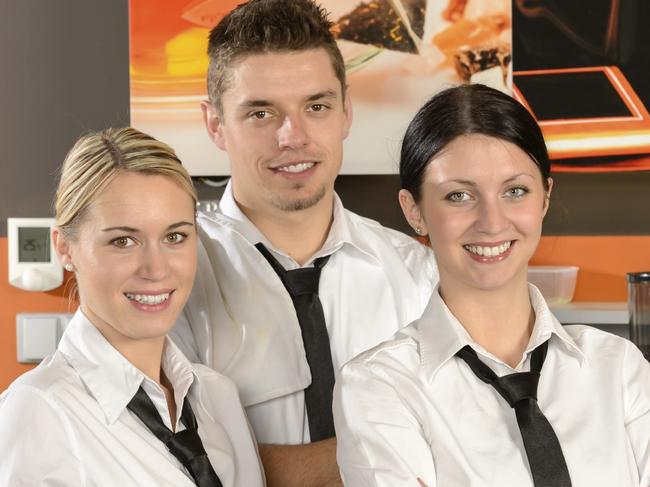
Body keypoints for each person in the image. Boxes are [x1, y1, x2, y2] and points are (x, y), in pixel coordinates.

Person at [170, 0, 438, 485]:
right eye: (261, 113)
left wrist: (254, 463)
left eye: (316, 106)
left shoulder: (420, 275)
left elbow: (469, 436)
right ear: (214, 124)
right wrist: (389, 449)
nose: (293, 137)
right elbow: (174, 461)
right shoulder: (172, 278)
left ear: (346, 112)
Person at [333, 83, 650, 487]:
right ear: (414, 210)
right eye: (459, 196)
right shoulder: (380, 386)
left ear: (545, 198)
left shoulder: (618, 367)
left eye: (515, 191)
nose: (492, 222)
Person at [0, 128, 265, 487]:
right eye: (123, 241)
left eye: (175, 237)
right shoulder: (37, 412)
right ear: (65, 248)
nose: (156, 269)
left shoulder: (219, 397)